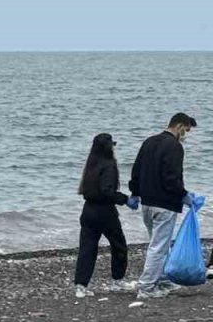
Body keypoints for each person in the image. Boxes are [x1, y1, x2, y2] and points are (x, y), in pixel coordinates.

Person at [129, 113, 199, 299]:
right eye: (185, 130)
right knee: (159, 246)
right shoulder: (174, 147)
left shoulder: (149, 142)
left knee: (158, 243)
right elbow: (172, 177)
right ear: (178, 126)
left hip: (147, 203)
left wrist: (135, 192)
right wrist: (183, 195)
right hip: (165, 204)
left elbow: (136, 170)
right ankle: (146, 287)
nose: (185, 135)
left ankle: (162, 280)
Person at [73, 133, 137, 298]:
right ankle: (118, 279)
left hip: (87, 211)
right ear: (109, 148)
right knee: (119, 245)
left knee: (87, 249)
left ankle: (81, 285)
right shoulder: (109, 165)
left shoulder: (90, 164)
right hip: (105, 212)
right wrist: (125, 200)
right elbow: (107, 191)